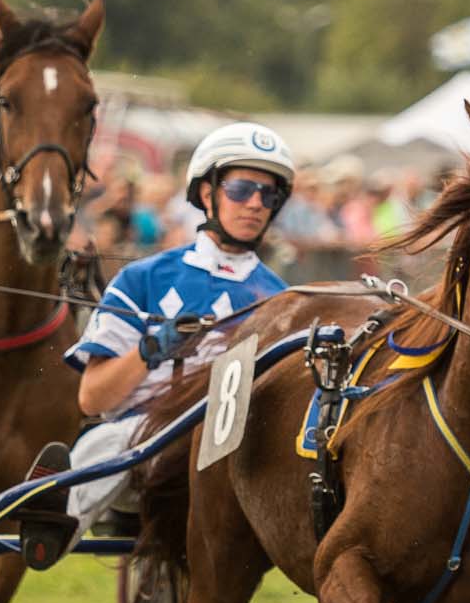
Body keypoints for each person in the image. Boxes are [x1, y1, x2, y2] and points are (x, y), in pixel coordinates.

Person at [15, 122, 296, 566]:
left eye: (270, 194)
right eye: (243, 189)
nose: (257, 204)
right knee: (107, 441)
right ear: (207, 194)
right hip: (141, 444)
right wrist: (151, 350)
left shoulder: (282, 301)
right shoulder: (143, 280)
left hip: (230, 452)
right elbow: (91, 398)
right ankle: (55, 522)